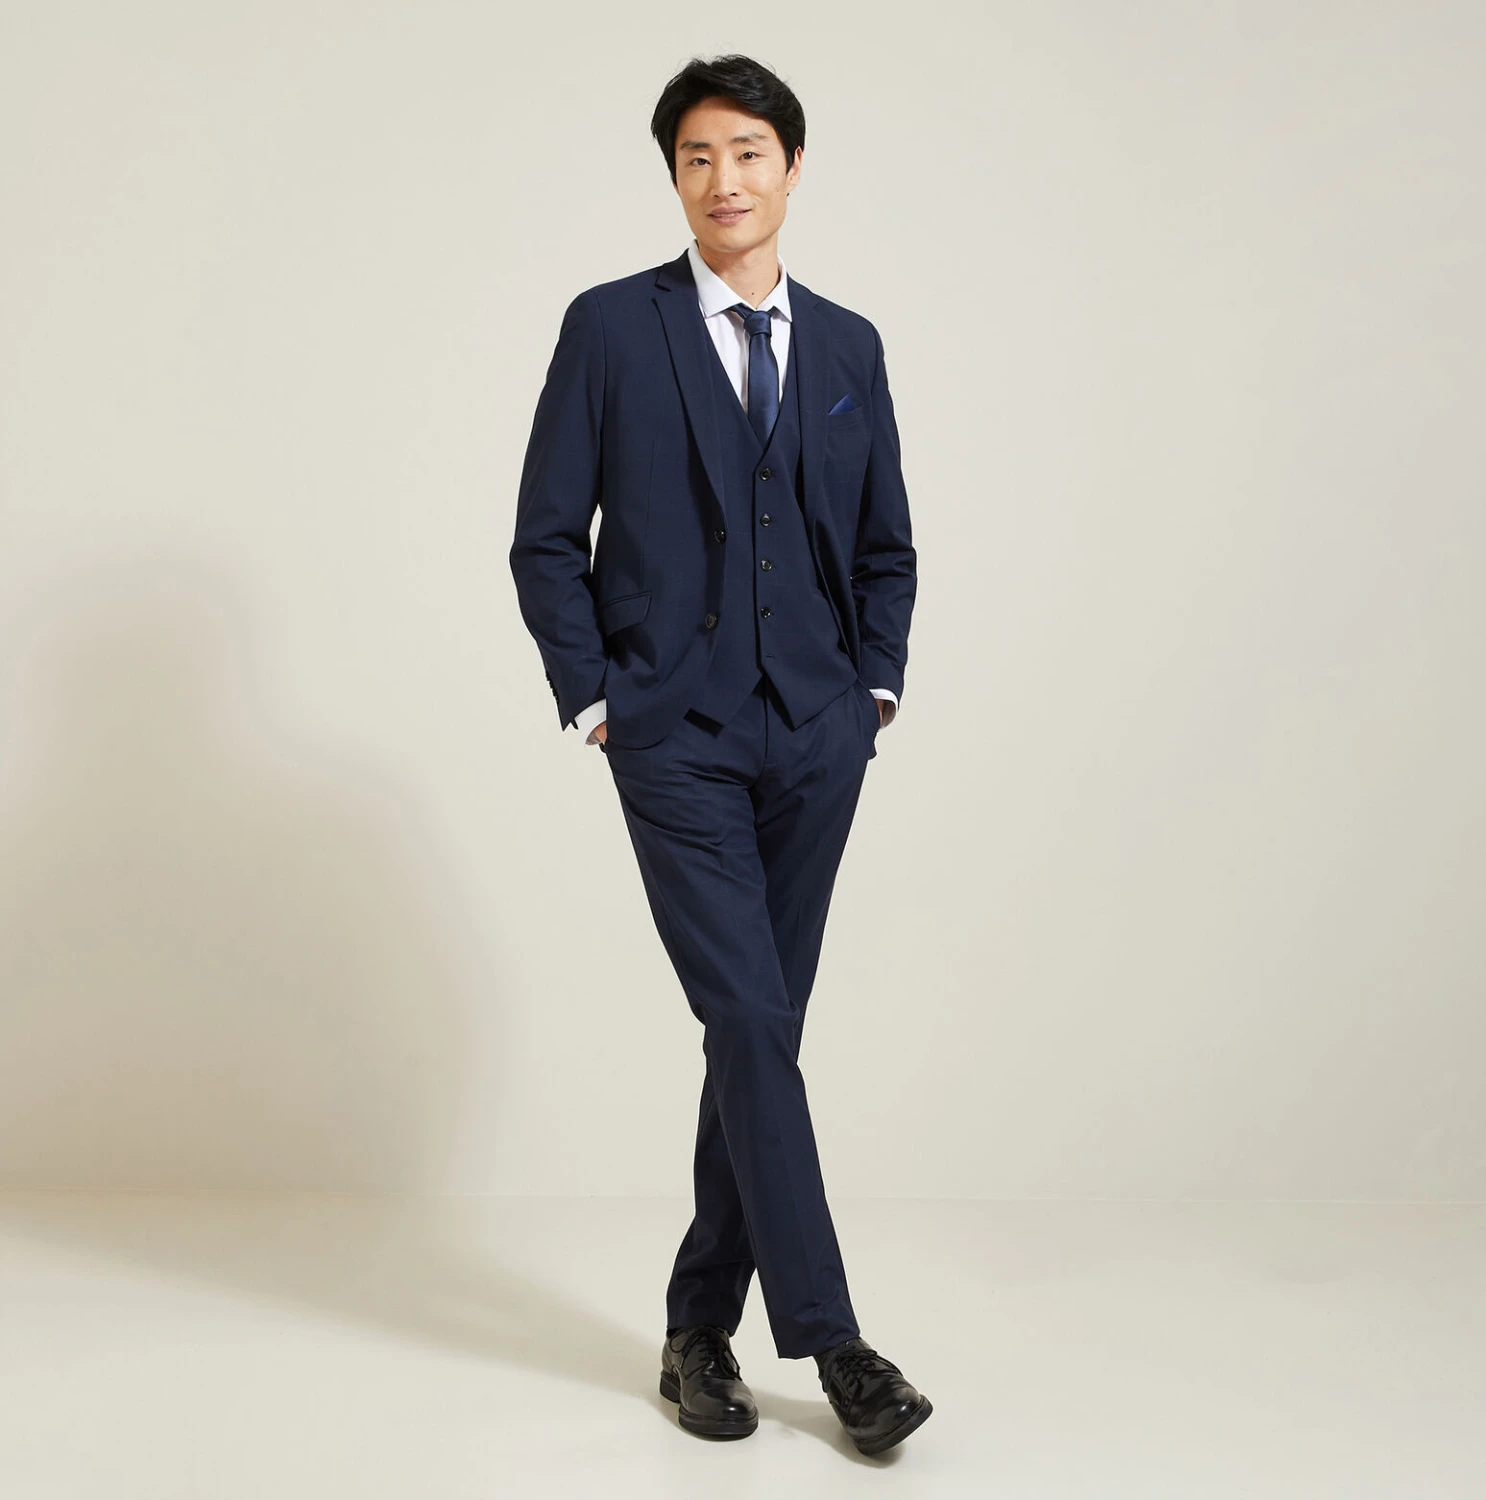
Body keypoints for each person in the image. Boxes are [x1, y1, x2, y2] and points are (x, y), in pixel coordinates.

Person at [509, 53, 926, 1457]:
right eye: (697, 157)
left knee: (760, 1035)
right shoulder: (612, 328)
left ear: (791, 169)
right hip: (673, 734)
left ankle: (697, 1330)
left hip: (816, 732)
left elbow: (885, 543)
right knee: (749, 1017)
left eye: (748, 152)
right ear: (675, 178)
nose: (724, 179)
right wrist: (595, 700)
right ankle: (838, 1344)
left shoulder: (849, 345)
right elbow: (545, 536)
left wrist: (871, 694)